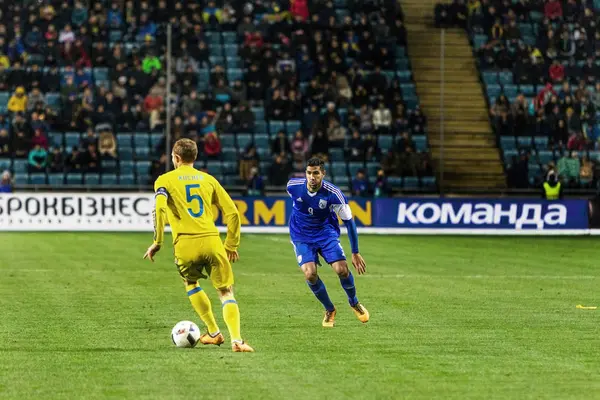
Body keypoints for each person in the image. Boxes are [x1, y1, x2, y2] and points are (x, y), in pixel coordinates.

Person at [143, 138, 253, 353]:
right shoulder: (208, 180)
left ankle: (213, 332)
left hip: (185, 243)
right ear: (195, 157)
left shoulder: (164, 180)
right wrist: (231, 244)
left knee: (190, 283)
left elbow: (160, 210)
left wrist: (157, 242)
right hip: (212, 240)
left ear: (175, 158)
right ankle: (237, 340)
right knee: (226, 291)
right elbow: (232, 213)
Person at [286, 157, 369, 328]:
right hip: (301, 235)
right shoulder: (292, 187)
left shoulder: (334, 194)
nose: (312, 177)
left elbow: (349, 222)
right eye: (309, 173)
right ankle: (330, 309)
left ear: (323, 173)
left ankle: (354, 302)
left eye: (316, 173)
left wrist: (355, 252)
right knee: (310, 274)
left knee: (342, 269)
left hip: (325, 233)